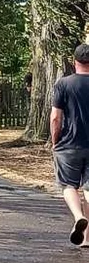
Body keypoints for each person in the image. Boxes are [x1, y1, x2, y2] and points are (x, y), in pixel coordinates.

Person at [49, 44, 89, 246]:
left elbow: (56, 117)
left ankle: (77, 216)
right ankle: (87, 238)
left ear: (75, 62)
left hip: (69, 143)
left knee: (68, 184)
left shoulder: (63, 84)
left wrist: (55, 140)